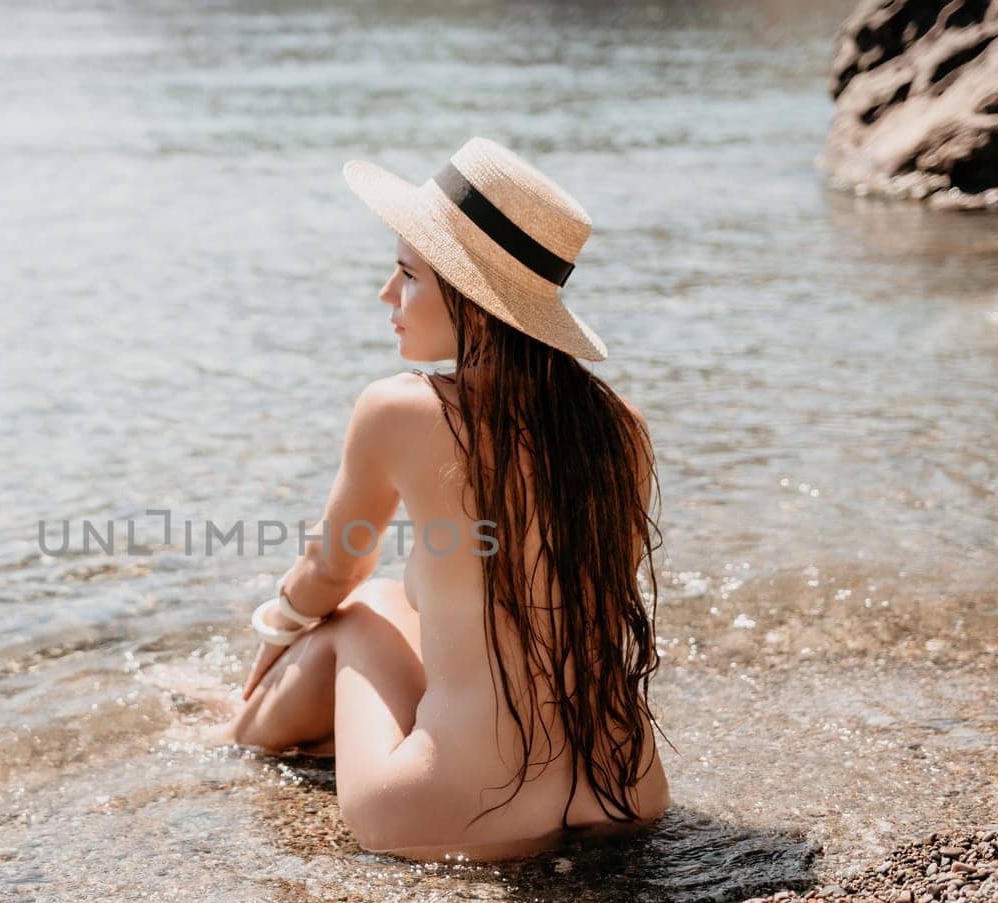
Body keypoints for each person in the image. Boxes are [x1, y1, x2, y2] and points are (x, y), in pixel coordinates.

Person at [196, 137, 670, 862]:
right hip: (626, 794)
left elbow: (329, 574)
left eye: (407, 275)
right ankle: (252, 724)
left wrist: (273, 628)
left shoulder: (401, 410)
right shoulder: (619, 429)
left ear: (474, 302)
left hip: (455, 812)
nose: (387, 296)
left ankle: (230, 733)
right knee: (393, 598)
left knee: (354, 617)